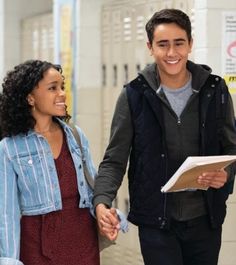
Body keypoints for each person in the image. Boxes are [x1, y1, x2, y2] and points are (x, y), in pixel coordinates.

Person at [93, 8, 236, 265]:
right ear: (150, 47)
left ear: (190, 44)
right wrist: (102, 202)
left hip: (205, 219)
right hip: (156, 222)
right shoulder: (133, 95)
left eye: (179, 43)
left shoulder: (215, 90)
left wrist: (226, 174)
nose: (172, 53)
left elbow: (231, 149)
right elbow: (114, 160)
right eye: (163, 44)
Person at [0, 60, 118, 265]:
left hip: (83, 242)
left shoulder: (75, 135)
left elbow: (92, 189)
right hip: (37, 249)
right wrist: (9, 260)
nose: (62, 93)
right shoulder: (10, 148)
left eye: (62, 87)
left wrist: (105, 214)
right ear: (30, 98)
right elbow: (6, 215)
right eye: (52, 88)